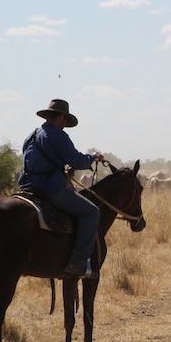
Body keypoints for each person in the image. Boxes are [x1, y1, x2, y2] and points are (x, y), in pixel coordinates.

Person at [18, 99, 104, 279]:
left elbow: (39, 163)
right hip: (50, 190)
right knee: (91, 212)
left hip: (27, 188)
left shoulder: (30, 136)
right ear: (63, 117)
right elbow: (78, 160)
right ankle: (78, 263)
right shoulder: (57, 135)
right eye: (65, 121)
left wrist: (61, 168)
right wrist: (93, 157)